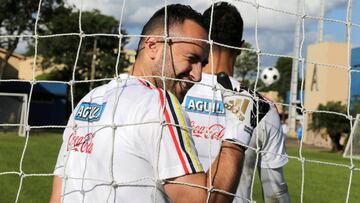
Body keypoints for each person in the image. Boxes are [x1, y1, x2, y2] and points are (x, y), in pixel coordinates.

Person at [50, 4, 256, 203]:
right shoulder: (160, 102)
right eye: (191, 59)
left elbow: (57, 197)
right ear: (152, 46)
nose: (197, 75)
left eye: (202, 63)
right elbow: (203, 200)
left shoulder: (91, 99)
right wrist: (236, 135)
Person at [182, 2, 290, 203]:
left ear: (203, 40)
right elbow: (275, 192)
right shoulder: (262, 107)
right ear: (240, 47)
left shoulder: (174, 95)